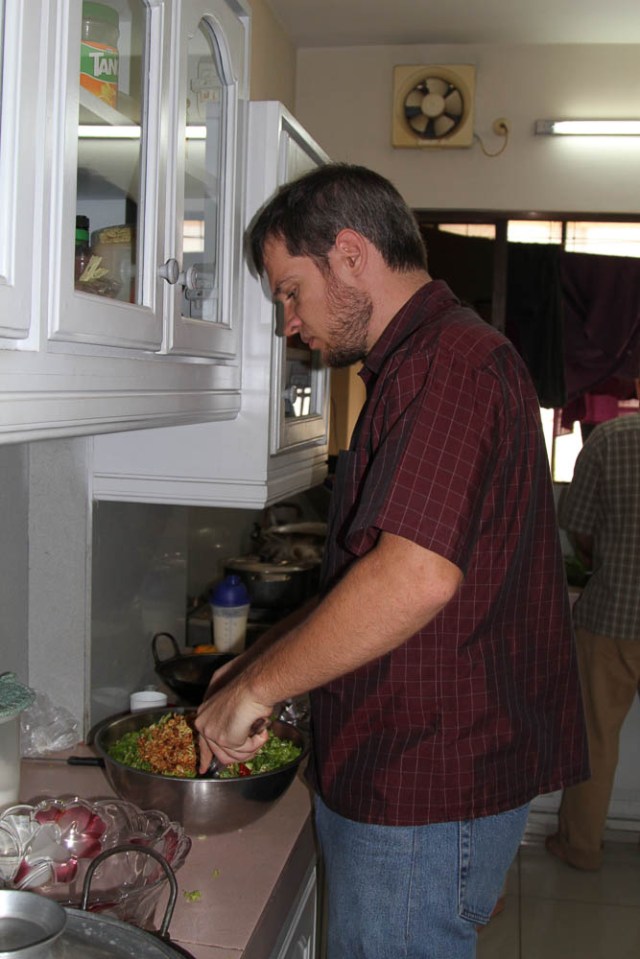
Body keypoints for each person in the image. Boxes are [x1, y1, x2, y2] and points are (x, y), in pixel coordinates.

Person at [195, 163, 589, 958]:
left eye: (288, 291)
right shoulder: (432, 364)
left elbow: (413, 577)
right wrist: (255, 668)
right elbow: (373, 574)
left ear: (348, 254)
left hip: (422, 784)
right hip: (430, 776)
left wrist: (257, 688)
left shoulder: (449, 367)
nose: (288, 323)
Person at [546, 384, 640, 871]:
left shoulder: (608, 440)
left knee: (597, 739)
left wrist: (602, 555)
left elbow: (577, 526)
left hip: (613, 616)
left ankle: (580, 846)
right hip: (611, 617)